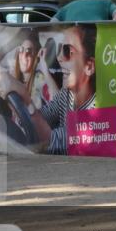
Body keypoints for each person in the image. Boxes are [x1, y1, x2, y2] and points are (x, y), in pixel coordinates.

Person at [28, 24, 97, 155]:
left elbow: (51, 141)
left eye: (67, 51)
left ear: (89, 67)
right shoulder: (66, 95)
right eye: (59, 50)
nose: (59, 58)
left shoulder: (97, 108)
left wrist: (24, 99)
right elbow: (42, 118)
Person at [0, 28, 50, 146]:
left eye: (29, 51)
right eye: (21, 50)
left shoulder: (41, 81)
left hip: (32, 136)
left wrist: (46, 71)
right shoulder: (15, 78)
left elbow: (55, 103)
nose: (24, 54)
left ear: (36, 57)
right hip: (19, 133)